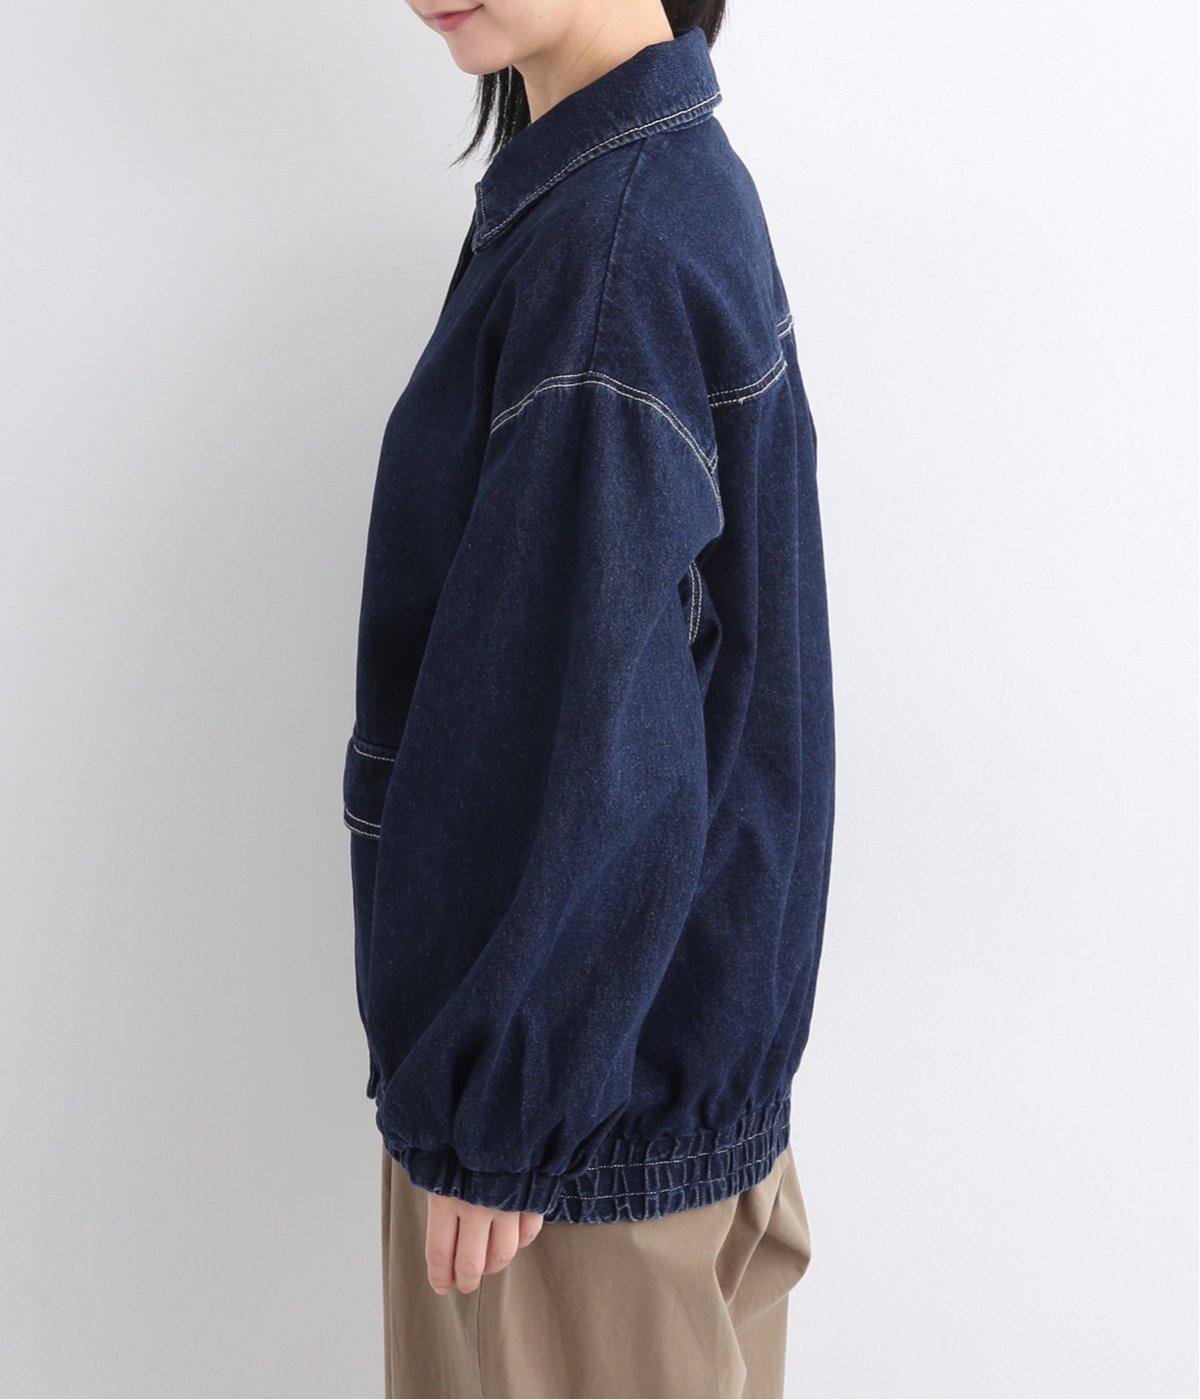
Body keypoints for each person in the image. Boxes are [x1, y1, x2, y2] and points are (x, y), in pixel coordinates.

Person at [343, 1, 835, 1394]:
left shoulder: (607, 247)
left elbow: (586, 730)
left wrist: (504, 1110)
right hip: (644, 1104)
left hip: (570, 1162)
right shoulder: (654, 188)